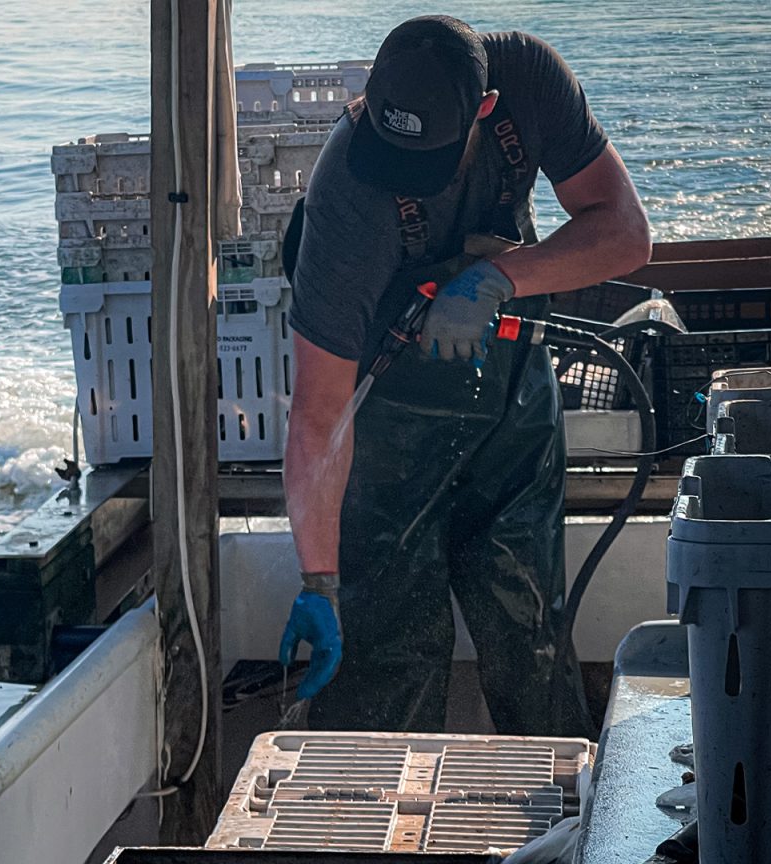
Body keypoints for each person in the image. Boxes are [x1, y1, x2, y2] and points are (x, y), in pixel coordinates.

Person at [277, 15, 651, 736]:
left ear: (485, 108)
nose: (401, 174)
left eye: (426, 161)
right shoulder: (349, 197)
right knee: (389, 653)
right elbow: (319, 413)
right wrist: (318, 582)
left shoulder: (531, 82)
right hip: (389, 432)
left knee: (529, 638)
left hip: (513, 404)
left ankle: (557, 838)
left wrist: (498, 279)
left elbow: (627, 233)